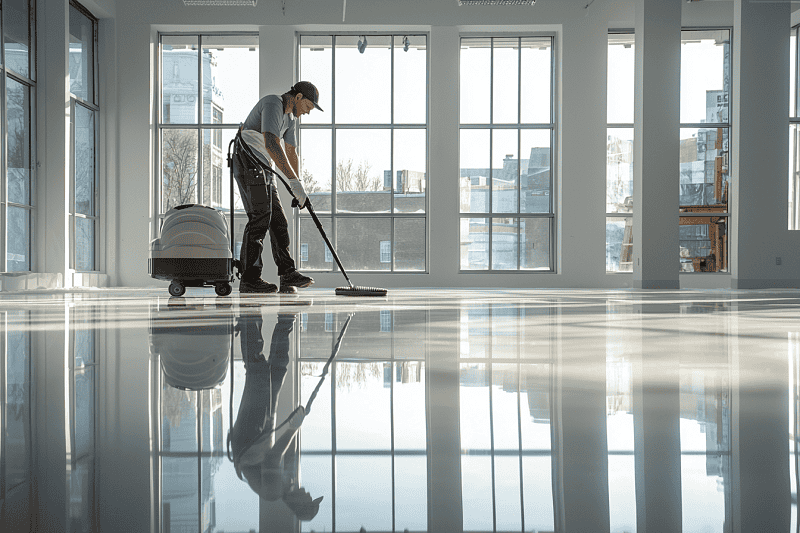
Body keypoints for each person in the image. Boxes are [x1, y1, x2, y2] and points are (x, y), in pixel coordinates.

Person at [229, 309, 323, 520]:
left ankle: (248, 319)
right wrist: (295, 420)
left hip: (249, 440)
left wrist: (293, 428)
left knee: (259, 374)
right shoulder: (288, 484)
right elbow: (278, 454)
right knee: (277, 371)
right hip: (262, 436)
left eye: (308, 498)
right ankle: (285, 321)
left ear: (299, 504)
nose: (308, 493)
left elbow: (272, 458)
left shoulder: (272, 493)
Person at [233, 81, 323, 294]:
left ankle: (287, 274)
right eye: (309, 107)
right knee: (260, 216)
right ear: (298, 97)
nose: (308, 113)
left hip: (263, 164)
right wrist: (291, 180)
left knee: (279, 222)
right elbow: (272, 143)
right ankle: (249, 279)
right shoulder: (273, 102)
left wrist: (297, 185)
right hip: (247, 160)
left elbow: (290, 152)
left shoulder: (291, 119)